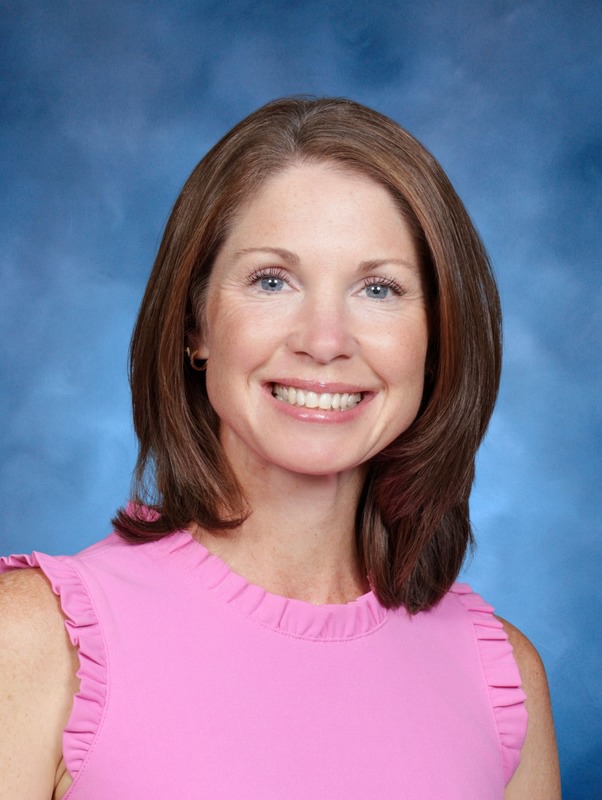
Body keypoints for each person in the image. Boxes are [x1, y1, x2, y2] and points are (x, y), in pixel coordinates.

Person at [0, 97, 560, 799]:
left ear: (437, 340)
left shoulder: (503, 677)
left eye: (379, 288)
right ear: (195, 325)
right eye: (272, 280)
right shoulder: (31, 642)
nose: (324, 340)